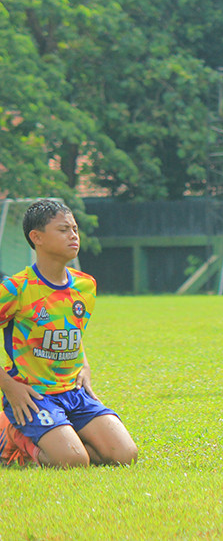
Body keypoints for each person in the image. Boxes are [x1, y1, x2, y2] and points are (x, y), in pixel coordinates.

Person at [0, 200, 138, 467]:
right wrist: (9, 386)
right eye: (63, 229)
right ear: (36, 237)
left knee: (125, 455)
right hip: (33, 395)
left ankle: (62, 440)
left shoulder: (86, 285)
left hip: (74, 393)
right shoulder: (17, 288)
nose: (73, 235)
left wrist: (84, 366)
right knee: (72, 462)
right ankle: (11, 435)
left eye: (75, 229)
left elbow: (73, 333)